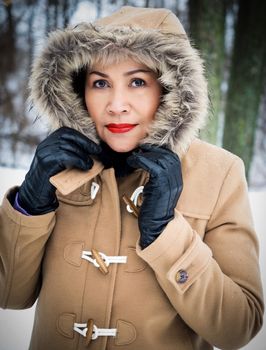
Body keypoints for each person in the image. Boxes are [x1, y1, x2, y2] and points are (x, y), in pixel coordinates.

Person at [0, 6, 264, 350]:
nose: (116, 104)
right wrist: (29, 205)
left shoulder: (220, 172)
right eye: (100, 83)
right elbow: (9, 295)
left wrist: (166, 234)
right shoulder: (59, 168)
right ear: (79, 92)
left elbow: (238, 327)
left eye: (137, 81)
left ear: (171, 90)